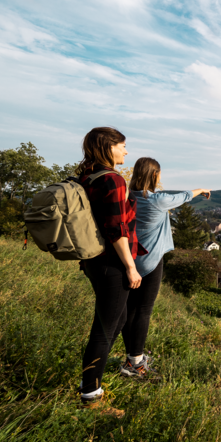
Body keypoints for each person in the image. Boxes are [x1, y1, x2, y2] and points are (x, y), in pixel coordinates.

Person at [120, 157, 210, 379]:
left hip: (127, 259)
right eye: (158, 173)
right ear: (154, 176)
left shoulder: (126, 198)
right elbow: (184, 196)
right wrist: (201, 190)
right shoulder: (157, 200)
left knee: (129, 310)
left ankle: (130, 358)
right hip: (150, 262)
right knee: (143, 311)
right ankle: (137, 363)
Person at [77, 127, 146, 408]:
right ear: (108, 147)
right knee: (103, 331)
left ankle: (93, 382)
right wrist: (131, 267)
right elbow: (117, 229)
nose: (126, 152)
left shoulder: (88, 175)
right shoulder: (113, 180)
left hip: (94, 259)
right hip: (113, 263)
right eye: (122, 146)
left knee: (117, 320)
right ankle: (90, 397)